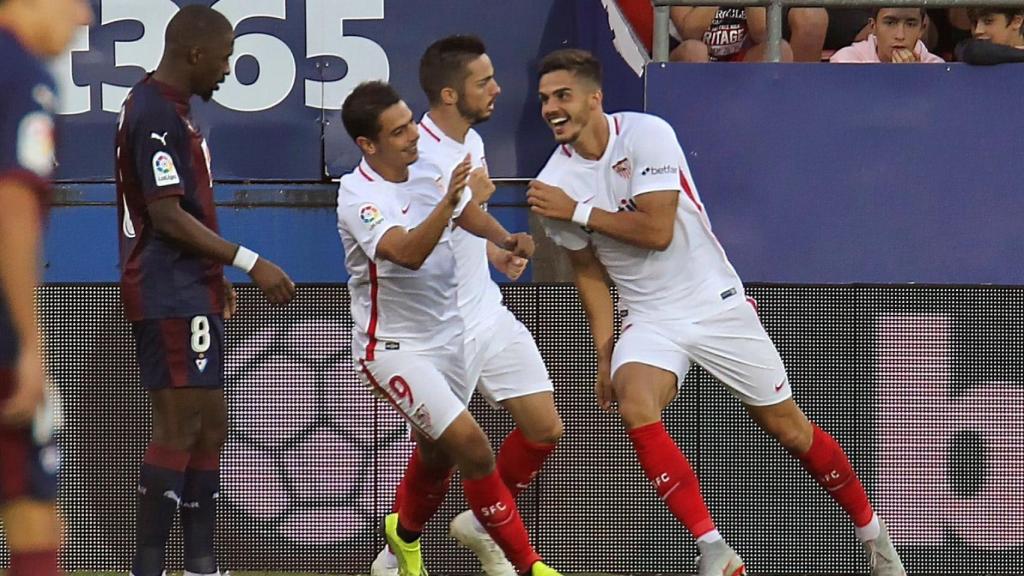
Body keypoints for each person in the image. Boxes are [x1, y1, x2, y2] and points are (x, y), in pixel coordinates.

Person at [526, 48, 906, 576]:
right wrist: (605, 350)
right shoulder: (554, 183)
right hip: (648, 315)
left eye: (562, 96)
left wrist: (581, 211)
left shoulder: (646, 134)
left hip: (713, 301)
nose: (551, 108)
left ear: (595, 98)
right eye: (545, 99)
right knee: (637, 403)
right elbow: (587, 267)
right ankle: (714, 551)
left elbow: (658, 232)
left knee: (789, 429)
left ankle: (875, 537)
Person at [337, 80, 559, 576]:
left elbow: (466, 215)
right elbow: (407, 253)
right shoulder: (358, 195)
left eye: (410, 123)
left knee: (438, 455)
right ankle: (530, 566)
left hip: (450, 336)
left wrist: (504, 238)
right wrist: (452, 198)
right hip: (394, 348)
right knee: (475, 449)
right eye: (398, 133)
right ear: (368, 146)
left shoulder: (430, 170)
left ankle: (401, 543)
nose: (413, 136)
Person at [114, 6, 296, 576]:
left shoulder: (171, 111)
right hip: (167, 291)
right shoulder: (153, 114)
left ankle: (201, 564)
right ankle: (148, 565)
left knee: (211, 424)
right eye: (224, 58)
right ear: (194, 54)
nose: (227, 70)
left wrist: (213, 279)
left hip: (191, 287)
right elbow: (166, 216)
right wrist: (248, 262)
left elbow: (186, 208)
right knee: (180, 427)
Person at [0, 0, 93, 575]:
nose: (83, 18)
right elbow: (10, 206)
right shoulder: (20, 73)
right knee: (35, 516)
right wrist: (32, 345)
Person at [830, 7, 944, 63]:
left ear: (922, 29)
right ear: (873, 26)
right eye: (890, 23)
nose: (900, 36)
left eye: (910, 24)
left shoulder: (936, 68)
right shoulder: (846, 62)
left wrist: (917, 78)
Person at [955, 7, 1024, 64]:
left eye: (988, 21)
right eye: (974, 22)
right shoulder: (965, 48)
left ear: (1016, 21)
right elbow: (976, 52)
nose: (978, 31)